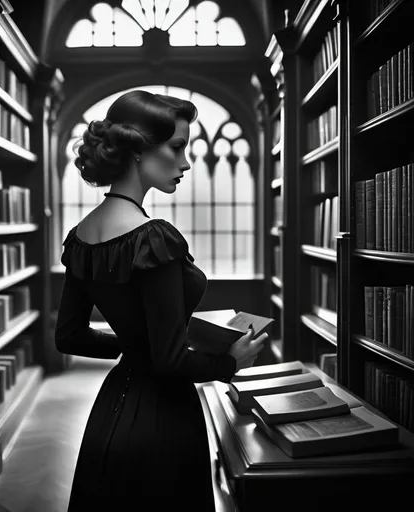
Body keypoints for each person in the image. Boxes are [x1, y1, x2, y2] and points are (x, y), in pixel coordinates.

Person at [55, 90, 268, 511]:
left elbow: (70, 337)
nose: (186, 162)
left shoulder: (79, 238)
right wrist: (230, 362)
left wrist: (136, 344)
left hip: (112, 411)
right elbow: (170, 363)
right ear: (137, 151)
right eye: (177, 147)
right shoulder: (154, 238)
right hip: (163, 417)